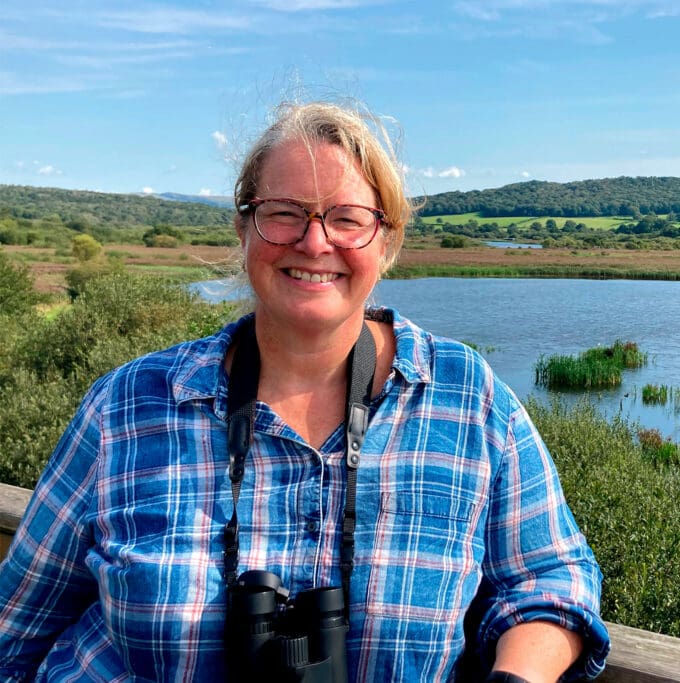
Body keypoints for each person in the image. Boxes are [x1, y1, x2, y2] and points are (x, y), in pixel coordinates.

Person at [0, 101, 609, 682]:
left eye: (348, 218)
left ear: (387, 243)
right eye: (284, 212)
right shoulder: (129, 407)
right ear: (244, 227)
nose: (315, 243)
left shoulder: (465, 400)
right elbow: (16, 627)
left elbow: (553, 579)